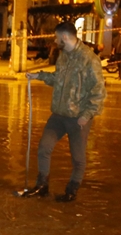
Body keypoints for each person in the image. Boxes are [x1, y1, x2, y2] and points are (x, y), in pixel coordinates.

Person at [16, 22, 108, 203]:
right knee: (44, 148)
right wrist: (39, 76)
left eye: (56, 37)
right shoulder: (63, 56)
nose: (55, 41)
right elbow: (58, 78)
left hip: (78, 118)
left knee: (78, 158)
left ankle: (71, 191)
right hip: (58, 114)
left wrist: (87, 115)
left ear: (64, 37)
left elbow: (99, 91)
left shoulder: (89, 59)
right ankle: (42, 186)